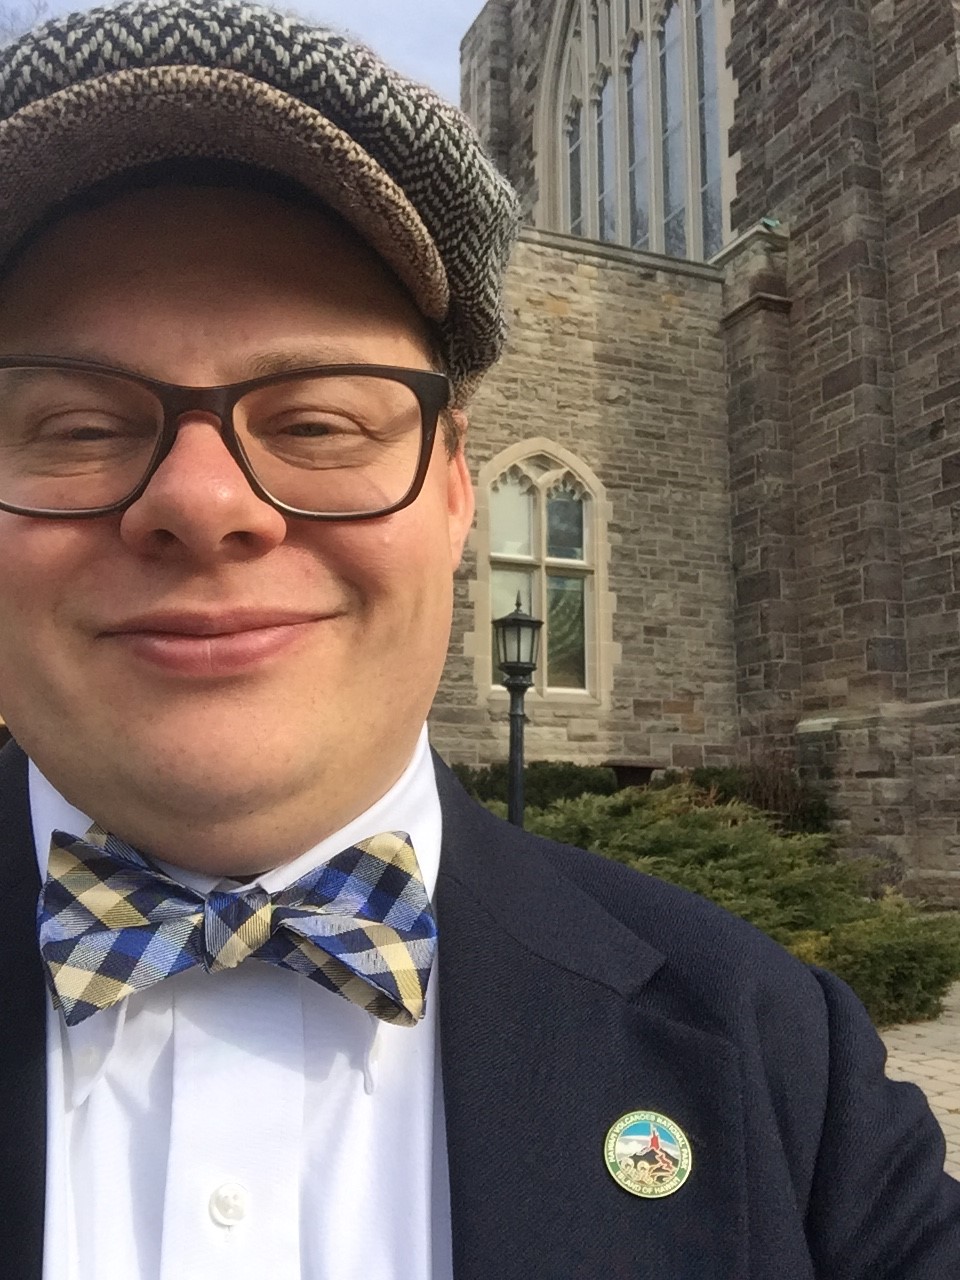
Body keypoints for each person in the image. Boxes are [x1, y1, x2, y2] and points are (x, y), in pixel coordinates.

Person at [0, 3, 956, 1278]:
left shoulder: (782, 1059)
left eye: (319, 422)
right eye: (78, 426)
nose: (204, 501)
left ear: (459, 489)